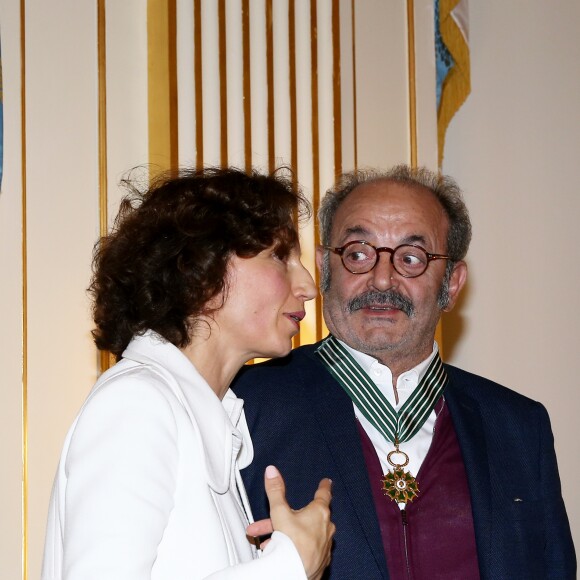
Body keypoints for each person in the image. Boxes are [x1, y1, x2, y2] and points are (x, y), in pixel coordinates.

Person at [233, 165, 576, 579]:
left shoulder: (518, 427)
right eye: (358, 252)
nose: (382, 278)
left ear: (451, 283)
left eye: (411, 258)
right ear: (325, 268)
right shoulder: (243, 407)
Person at [41, 167, 335, 580]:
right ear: (202, 268)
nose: (307, 284)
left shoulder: (201, 415)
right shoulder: (138, 403)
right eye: (280, 256)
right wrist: (287, 567)